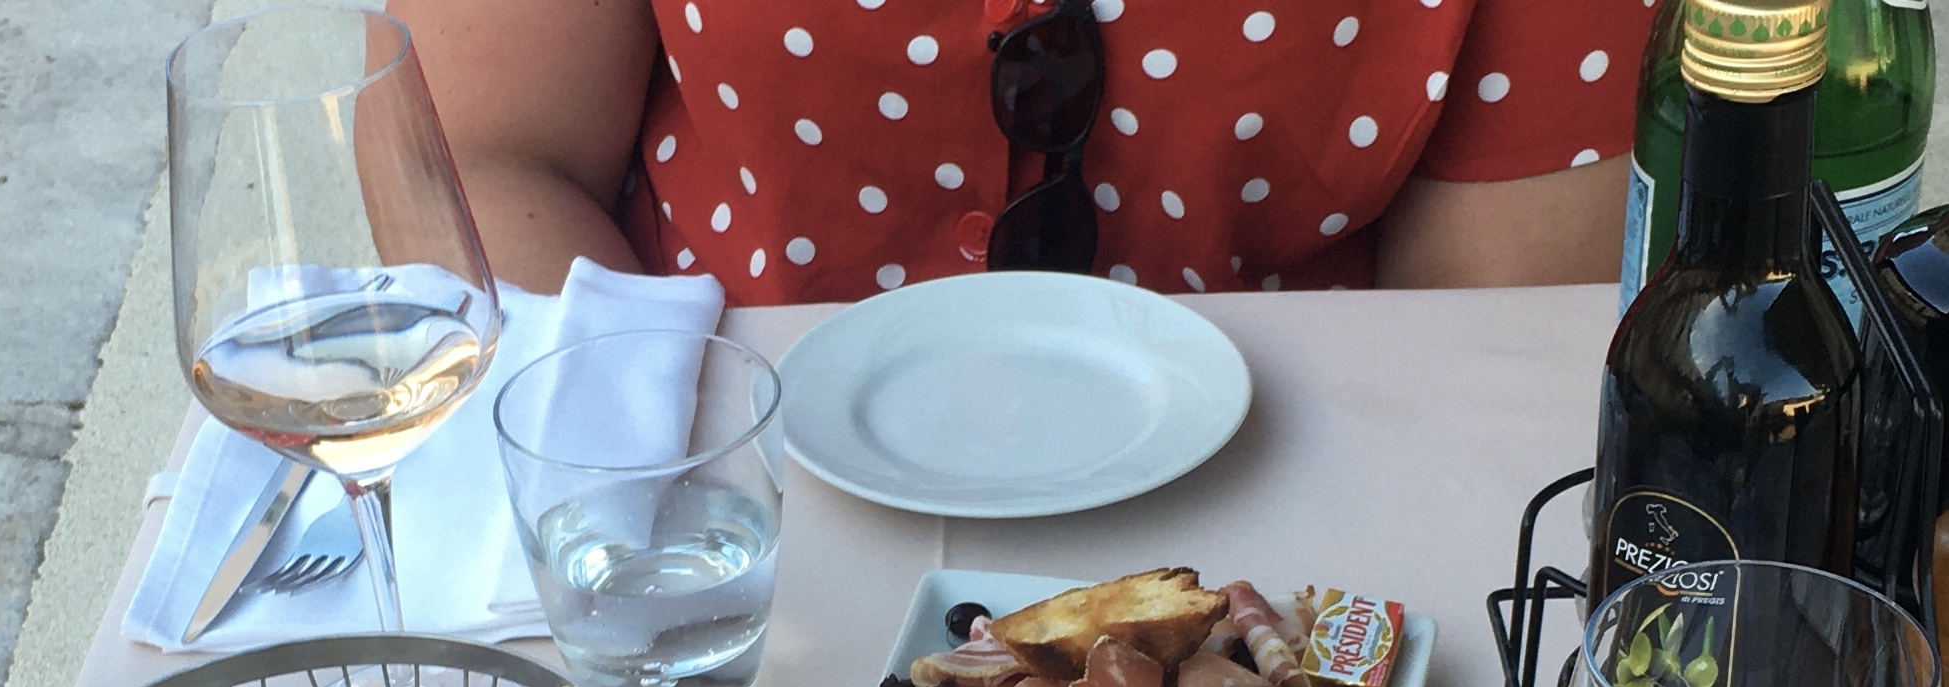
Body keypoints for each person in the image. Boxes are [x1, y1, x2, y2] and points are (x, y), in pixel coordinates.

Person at [403, 0, 1648, 298]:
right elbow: (480, 158)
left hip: (1294, 522)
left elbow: (1486, 337)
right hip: (718, 497)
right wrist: (639, 502)